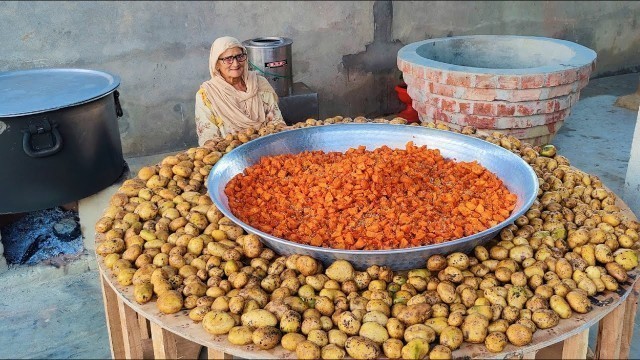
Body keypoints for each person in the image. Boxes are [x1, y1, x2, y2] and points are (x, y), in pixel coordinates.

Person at [194, 36, 286, 147]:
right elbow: (208, 136)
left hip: (267, 149)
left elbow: (276, 120)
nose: (236, 63)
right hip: (229, 156)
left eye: (240, 56)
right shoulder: (207, 95)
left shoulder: (259, 83)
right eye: (228, 59)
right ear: (216, 64)